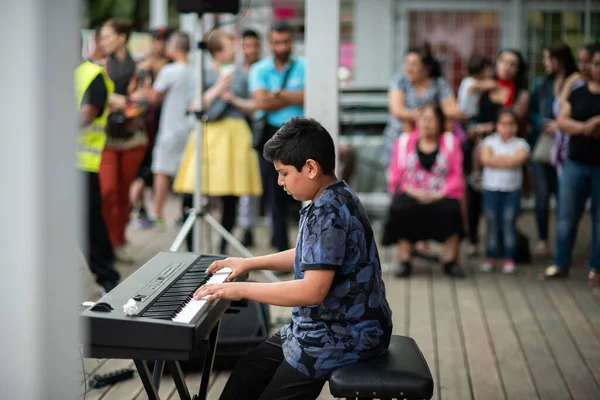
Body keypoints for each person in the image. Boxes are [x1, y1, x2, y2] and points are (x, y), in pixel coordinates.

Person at [193, 117, 393, 400]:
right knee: (248, 373)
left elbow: (312, 291)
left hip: (343, 336)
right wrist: (249, 263)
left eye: (284, 173)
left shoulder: (329, 212)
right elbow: (309, 255)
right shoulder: (334, 194)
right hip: (320, 326)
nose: (279, 182)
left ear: (310, 168)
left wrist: (237, 289)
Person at [382, 104, 466, 278]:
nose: (426, 123)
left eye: (431, 119)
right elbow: (396, 175)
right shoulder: (404, 142)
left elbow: (457, 176)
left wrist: (439, 194)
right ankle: (404, 260)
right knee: (401, 208)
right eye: (423, 119)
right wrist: (414, 192)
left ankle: (450, 261)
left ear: (440, 122)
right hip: (412, 192)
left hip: (441, 193)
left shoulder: (450, 143)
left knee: (452, 209)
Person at [545, 44, 600, 285]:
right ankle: (560, 263)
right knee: (566, 216)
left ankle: (596, 268)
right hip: (575, 164)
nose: (597, 69)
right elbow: (562, 122)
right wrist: (587, 127)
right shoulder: (578, 93)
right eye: (596, 64)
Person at [249, 22, 306, 253]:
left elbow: (311, 94)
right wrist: (292, 97)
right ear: (270, 43)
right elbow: (261, 102)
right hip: (271, 133)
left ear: (292, 41)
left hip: (299, 132)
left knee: (305, 188)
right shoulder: (259, 69)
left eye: (285, 41)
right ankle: (281, 245)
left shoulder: (305, 65)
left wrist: (278, 95)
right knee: (274, 192)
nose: (281, 47)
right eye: (276, 42)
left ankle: (306, 243)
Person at [130, 31, 194, 226]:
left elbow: (154, 97)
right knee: (186, 171)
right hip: (189, 128)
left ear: (174, 48)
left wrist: (137, 93)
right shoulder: (195, 71)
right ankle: (185, 213)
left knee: (162, 171)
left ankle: (157, 214)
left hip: (170, 128)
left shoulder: (170, 70)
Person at [98, 19, 149, 262]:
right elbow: (96, 101)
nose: (103, 41)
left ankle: (119, 241)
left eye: (108, 36)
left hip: (133, 140)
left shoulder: (139, 68)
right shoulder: (100, 67)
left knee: (123, 193)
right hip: (105, 139)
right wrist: (124, 101)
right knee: (106, 191)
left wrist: (115, 101)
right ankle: (106, 241)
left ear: (122, 37)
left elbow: (141, 104)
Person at [528, 42, 578, 258]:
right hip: (544, 145)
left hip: (567, 147)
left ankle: (563, 243)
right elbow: (531, 111)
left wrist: (562, 125)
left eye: (549, 58)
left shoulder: (576, 84)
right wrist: (543, 122)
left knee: (563, 197)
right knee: (542, 195)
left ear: (561, 59)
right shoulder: (542, 84)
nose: (545, 62)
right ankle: (543, 239)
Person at [75, 55, 120, 295]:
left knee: (90, 223)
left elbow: (88, 113)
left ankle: (107, 279)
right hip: (54, 160)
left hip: (82, 162)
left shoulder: (92, 74)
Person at [480, 110, 530, 274]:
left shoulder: (521, 144)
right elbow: (486, 159)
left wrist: (497, 160)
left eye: (511, 124)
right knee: (492, 223)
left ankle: (509, 257)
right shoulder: (489, 141)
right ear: (496, 125)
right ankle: (491, 256)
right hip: (491, 189)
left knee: (508, 223)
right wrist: (508, 160)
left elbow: (518, 159)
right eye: (503, 124)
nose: (507, 128)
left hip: (512, 190)